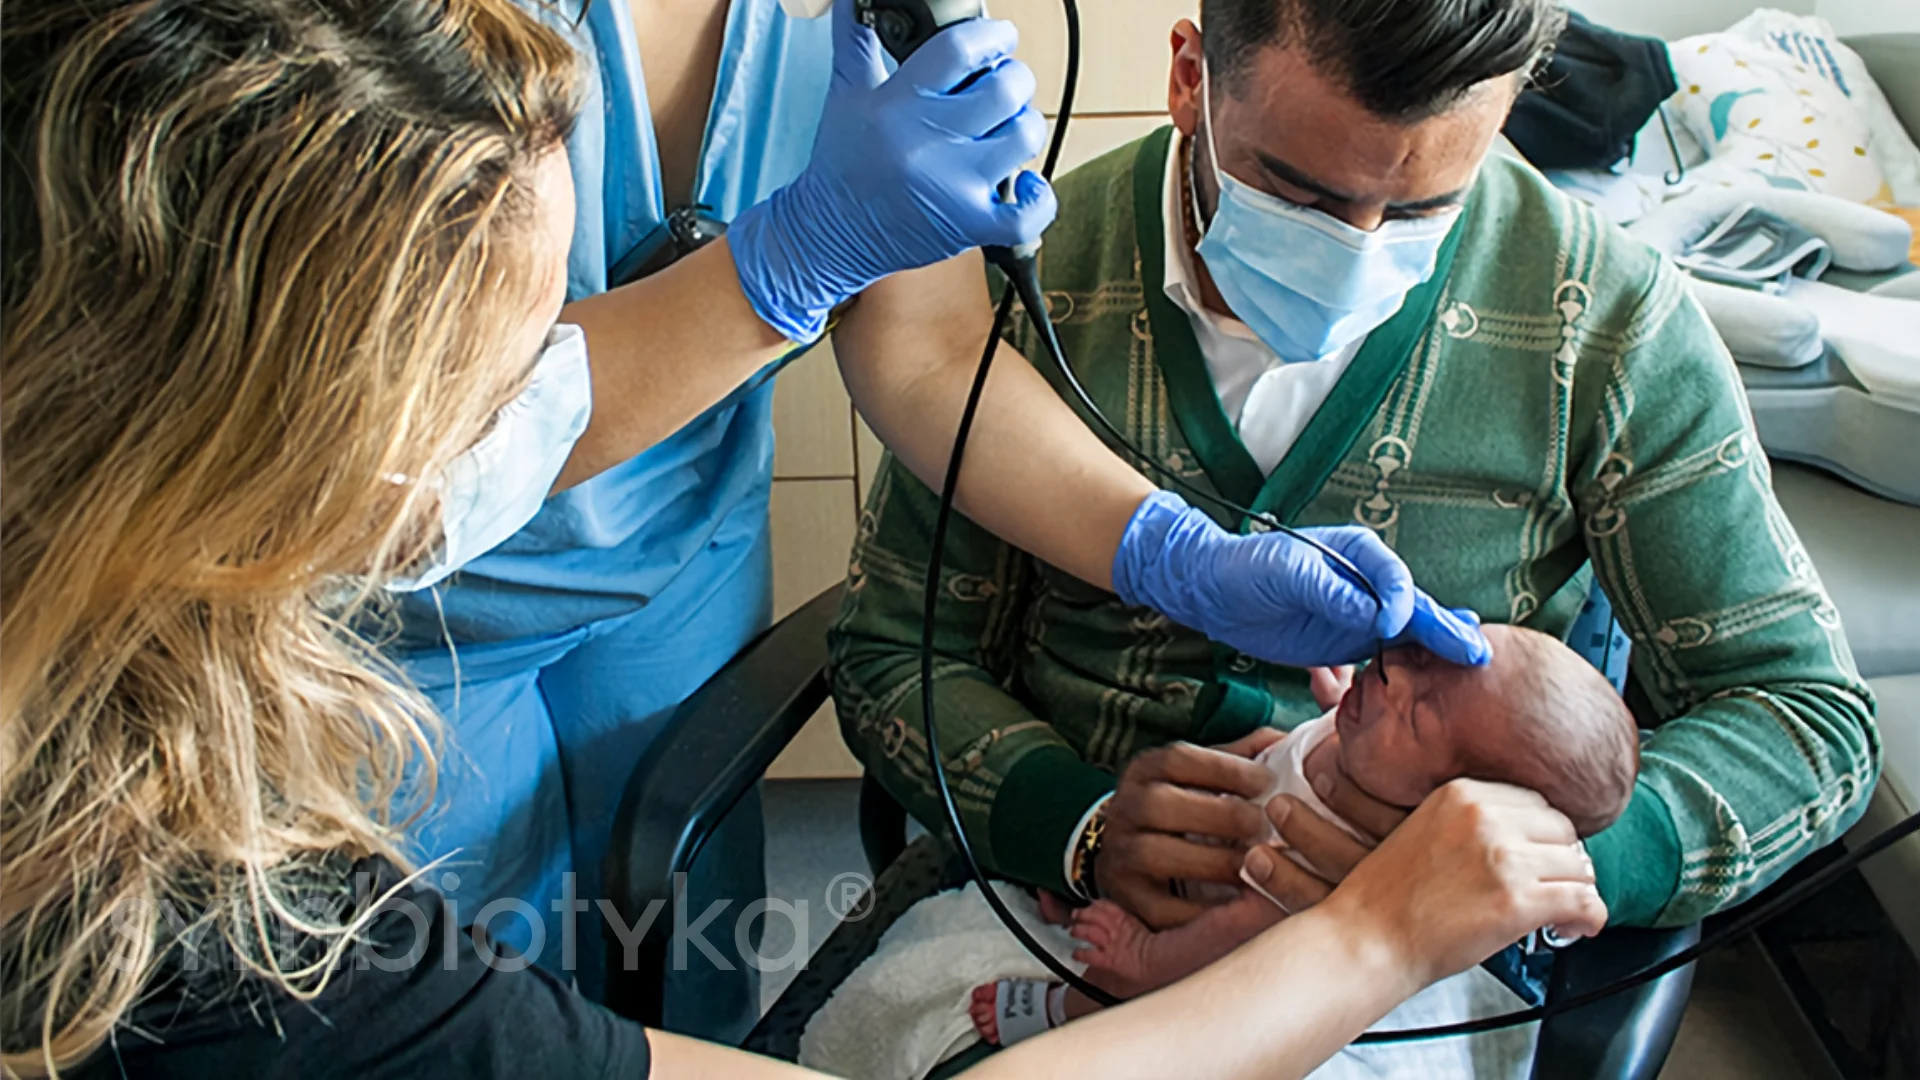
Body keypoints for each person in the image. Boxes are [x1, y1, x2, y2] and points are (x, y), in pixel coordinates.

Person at [0, 1, 1606, 1076]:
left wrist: (1167, 550)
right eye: (509, 388)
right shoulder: (214, 936)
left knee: (653, 963)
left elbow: (913, 349)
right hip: (383, 686)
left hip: (598, 599)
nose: (542, 420)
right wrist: (1369, 932)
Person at [391, 0, 1490, 1016]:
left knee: (683, 972)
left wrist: (1170, 550)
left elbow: (927, 349)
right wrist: (786, 259)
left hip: (674, 550)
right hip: (382, 600)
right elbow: (376, 440)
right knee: (435, 1009)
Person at [831, 0, 1878, 1064]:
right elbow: (890, 652)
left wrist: (1512, 865)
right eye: (1299, 192)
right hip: (1053, 908)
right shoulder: (1022, 278)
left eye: (1428, 207)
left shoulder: (1600, 322)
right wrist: (1074, 819)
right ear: (1191, 76)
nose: (1358, 250)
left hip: (1422, 972)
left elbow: (1809, 722)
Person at [971, 625, 1641, 1043]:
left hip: (1213, 925)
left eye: (1422, 710)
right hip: (1177, 845)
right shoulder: (1370, 740)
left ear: (1456, 812)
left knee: (1124, 989)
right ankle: (1087, 907)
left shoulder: (1349, 862)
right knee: (1116, 879)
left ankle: (1057, 1010)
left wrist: (1146, 956)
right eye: (1434, 653)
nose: (1396, 673)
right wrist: (1334, 704)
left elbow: (1234, 933)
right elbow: (1320, 744)